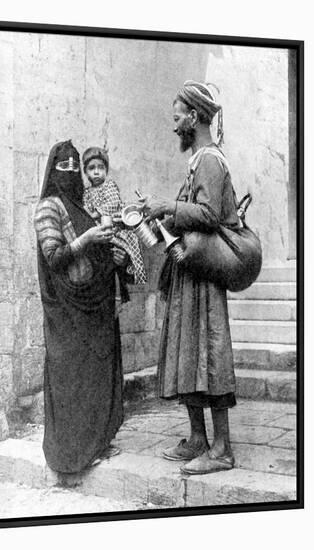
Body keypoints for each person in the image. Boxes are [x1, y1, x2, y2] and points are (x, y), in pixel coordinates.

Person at [143, 81, 240, 475]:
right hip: (190, 272)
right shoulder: (198, 160)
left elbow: (210, 215)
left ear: (195, 117)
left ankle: (222, 449)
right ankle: (198, 439)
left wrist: (168, 205)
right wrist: (161, 214)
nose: (175, 125)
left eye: (178, 116)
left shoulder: (211, 161)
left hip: (205, 274)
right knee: (188, 353)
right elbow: (193, 212)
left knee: (211, 354)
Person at [34, 140, 131, 474]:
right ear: (53, 170)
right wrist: (88, 240)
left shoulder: (84, 204)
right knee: (73, 377)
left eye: (77, 167)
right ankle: (72, 454)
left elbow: (94, 254)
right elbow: (55, 258)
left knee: (95, 374)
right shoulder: (48, 207)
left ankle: (97, 441)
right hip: (67, 311)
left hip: (94, 305)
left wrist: (114, 257)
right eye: (65, 168)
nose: (73, 173)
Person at [82, 146, 147, 285]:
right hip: (98, 229)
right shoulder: (87, 192)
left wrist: (96, 212)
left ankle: (134, 272)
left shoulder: (109, 186)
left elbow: (113, 203)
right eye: (91, 168)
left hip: (114, 226)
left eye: (101, 168)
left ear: (106, 170)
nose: (97, 172)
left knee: (128, 249)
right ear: (86, 173)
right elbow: (85, 209)